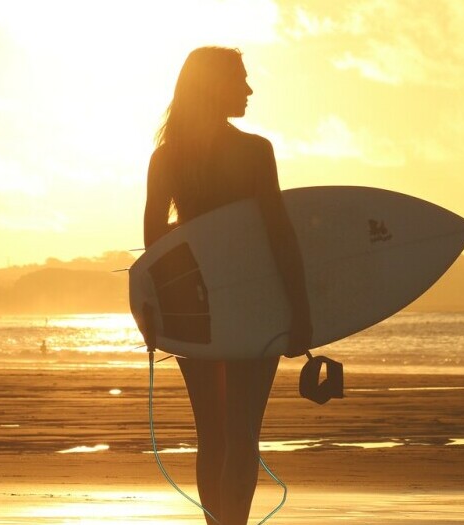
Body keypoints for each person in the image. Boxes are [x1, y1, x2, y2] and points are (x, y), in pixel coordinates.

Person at [143, 46, 313, 525]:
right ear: (214, 86)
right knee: (242, 434)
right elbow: (280, 236)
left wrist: (158, 316)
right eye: (240, 79)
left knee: (213, 436)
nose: (248, 89)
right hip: (254, 308)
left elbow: (154, 247)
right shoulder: (255, 151)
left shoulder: (166, 158)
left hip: (196, 313)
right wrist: (300, 313)